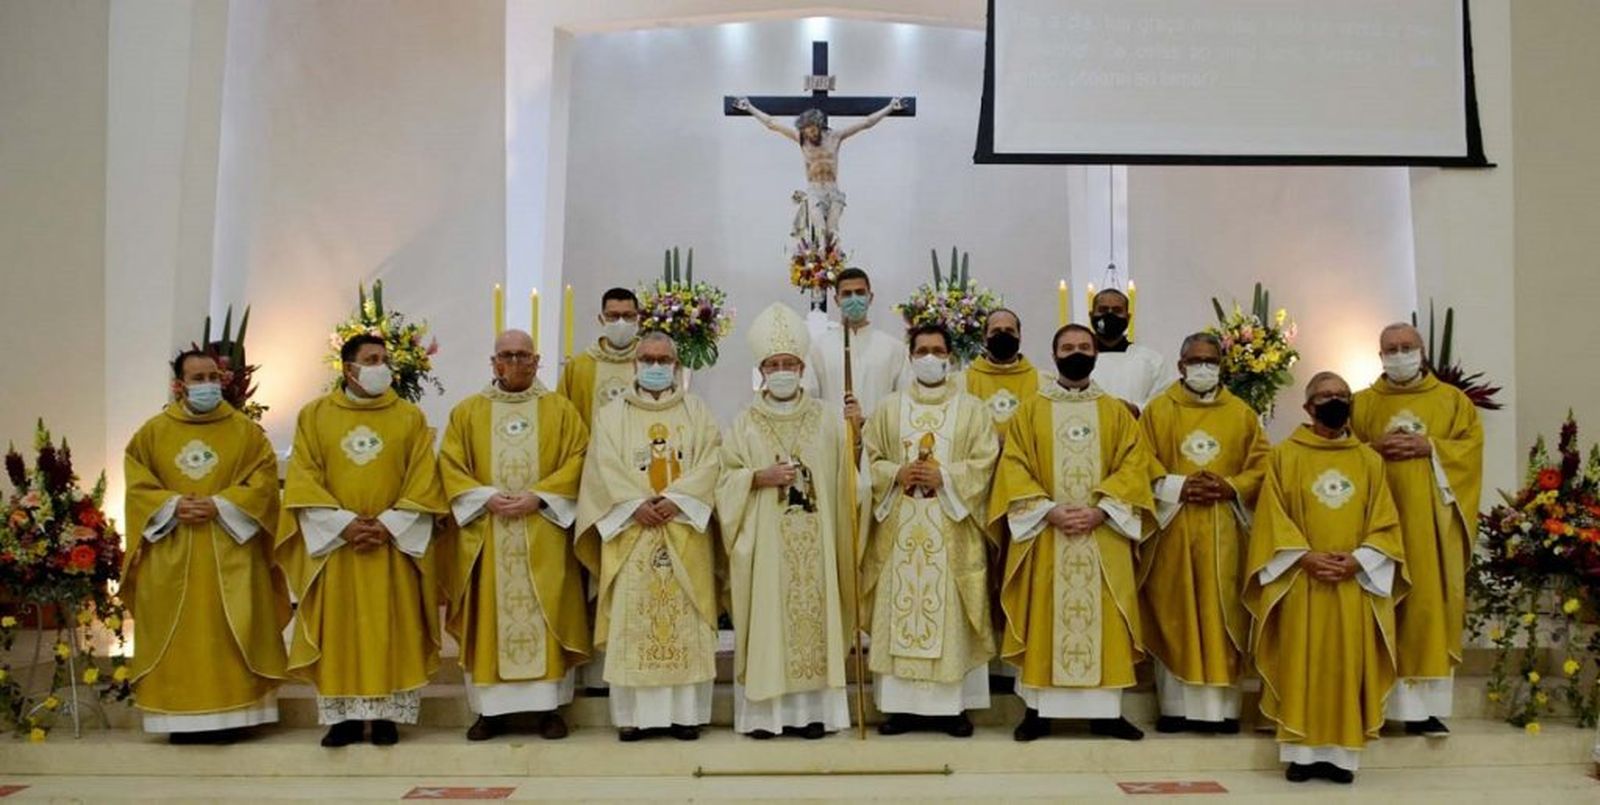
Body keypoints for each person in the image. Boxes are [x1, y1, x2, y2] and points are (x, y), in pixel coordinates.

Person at [277, 334, 447, 747]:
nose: (382, 367)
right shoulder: (315, 416)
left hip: (391, 546)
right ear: (349, 369)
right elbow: (303, 479)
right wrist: (344, 526)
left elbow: (424, 479)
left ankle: (387, 717)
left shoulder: (408, 417)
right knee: (341, 630)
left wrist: (389, 523)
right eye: (372, 360)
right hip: (339, 548)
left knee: (393, 627)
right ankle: (344, 720)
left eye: (385, 360)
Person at [989, 323, 1155, 742]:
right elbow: (1013, 466)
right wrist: (1048, 511)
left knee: (1106, 617)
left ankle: (1108, 713)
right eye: (1068, 347)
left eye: (1084, 346)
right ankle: (1038, 713)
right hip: (1048, 533)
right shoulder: (1030, 409)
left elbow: (1135, 466)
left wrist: (1102, 511)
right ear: (1054, 354)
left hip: (1103, 534)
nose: (1076, 352)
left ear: (1096, 353)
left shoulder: (1116, 411)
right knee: (1043, 613)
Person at [121, 350, 289, 743]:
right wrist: (172, 506)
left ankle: (239, 715)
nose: (207, 384)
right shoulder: (152, 433)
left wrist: (221, 504)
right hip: (173, 549)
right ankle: (179, 720)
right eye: (197, 378)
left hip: (231, 548)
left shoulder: (245, 432)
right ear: (179, 384)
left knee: (234, 629)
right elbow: (137, 485)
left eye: (212, 376)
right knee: (177, 631)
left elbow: (263, 483)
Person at [1247, 372, 1407, 784]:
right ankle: (1301, 754)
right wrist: (1304, 557)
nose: (1334, 401)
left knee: (1345, 666)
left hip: (1352, 582)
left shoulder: (1369, 460)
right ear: (1308, 407)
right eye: (1324, 396)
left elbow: (1386, 522)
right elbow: (1271, 519)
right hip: (1303, 580)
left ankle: (1341, 757)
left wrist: (1359, 560)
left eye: (1341, 395)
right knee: (1300, 661)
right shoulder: (1284, 456)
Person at [440, 330, 591, 742]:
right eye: (507, 355)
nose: (516, 362)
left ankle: (549, 709)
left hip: (543, 530)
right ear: (494, 363)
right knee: (490, 615)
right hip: (489, 535)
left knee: (548, 612)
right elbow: (450, 464)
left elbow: (579, 459)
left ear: (538, 361)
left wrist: (540, 498)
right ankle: (490, 712)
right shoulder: (468, 412)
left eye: (524, 355)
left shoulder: (560, 411)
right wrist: (487, 498)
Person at [716, 303, 856, 739]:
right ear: (761, 370)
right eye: (773, 365)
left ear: (801, 368)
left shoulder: (828, 420)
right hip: (766, 548)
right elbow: (724, 481)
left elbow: (850, 482)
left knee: (814, 624)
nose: (781, 371)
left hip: (818, 544)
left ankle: (814, 713)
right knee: (770, 628)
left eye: (789, 364)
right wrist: (758, 478)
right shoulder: (745, 423)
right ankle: (765, 716)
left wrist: (860, 436)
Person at [574, 332, 722, 741]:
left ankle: (685, 716)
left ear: (676, 366)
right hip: (632, 532)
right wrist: (633, 505)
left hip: (683, 529)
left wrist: (676, 500)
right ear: (634, 364)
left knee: (683, 622)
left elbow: (711, 460)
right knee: (636, 623)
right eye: (647, 359)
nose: (656, 367)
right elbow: (603, 466)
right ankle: (634, 717)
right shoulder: (612, 414)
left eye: (663, 360)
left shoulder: (697, 411)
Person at [860, 324, 998, 737]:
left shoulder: (973, 409)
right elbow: (870, 461)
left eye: (938, 350)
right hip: (899, 532)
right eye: (922, 350)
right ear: (910, 356)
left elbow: (985, 463)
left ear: (951, 357)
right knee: (901, 607)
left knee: (950, 613)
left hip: (950, 530)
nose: (930, 357)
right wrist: (897, 472)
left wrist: (946, 477)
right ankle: (898, 709)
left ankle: (952, 709)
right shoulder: (888, 408)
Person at [1352, 323, 1483, 737]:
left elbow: (1471, 450)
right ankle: (1372, 702)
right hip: (1376, 527)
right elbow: (1341, 453)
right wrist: (1373, 450)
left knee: (1425, 608)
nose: (1399, 354)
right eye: (1390, 349)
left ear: (1422, 351)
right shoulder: (1361, 403)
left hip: (1430, 528)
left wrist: (1432, 448)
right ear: (1380, 356)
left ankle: (1424, 711)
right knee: (1381, 608)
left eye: (1407, 347)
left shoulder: (1452, 402)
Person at [1137, 333, 1269, 734]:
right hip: (1172, 531)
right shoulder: (1158, 411)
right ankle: (1175, 708)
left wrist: (1231, 486)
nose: (1203, 367)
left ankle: (1223, 712)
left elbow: (1263, 466)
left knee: (1221, 614)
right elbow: (1138, 461)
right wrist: (1179, 486)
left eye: (1210, 360)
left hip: (1225, 531)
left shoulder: (1243, 414)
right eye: (1195, 360)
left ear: (1221, 365)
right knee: (1173, 611)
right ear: (1180, 366)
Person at [556, 286, 642, 692]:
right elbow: (564, 426)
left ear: (640, 317)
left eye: (628, 315)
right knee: (591, 573)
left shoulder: (654, 361)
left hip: (642, 491)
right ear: (600, 319)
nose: (621, 323)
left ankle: (630, 662)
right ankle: (594, 672)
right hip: (594, 491)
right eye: (613, 315)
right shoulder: (580, 367)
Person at [733, 97, 904, 239]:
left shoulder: (835, 137)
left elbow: (866, 123)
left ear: (819, 126)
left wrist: (889, 107)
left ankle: (830, 270)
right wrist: (749, 107)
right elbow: (772, 124)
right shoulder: (800, 138)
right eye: (807, 131)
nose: (810, 135)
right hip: (814, 190)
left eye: (813, 130)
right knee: (819, 231)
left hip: (832, 189)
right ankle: (818, 269)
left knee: (832, 233)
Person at [802, 268, 909, 432]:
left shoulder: (894, 348)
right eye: (847, 294)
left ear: (870, 297)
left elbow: (903, 399)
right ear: (837, 300)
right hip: (834, 439)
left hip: (879, 439)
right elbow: (810, 399)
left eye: (859, 292)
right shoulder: (819, 348)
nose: (854, 299)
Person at [1086, 288, 1178, 414]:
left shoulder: (1152, 360)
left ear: (1128, 318)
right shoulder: (1078, 360)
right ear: (1091, 316)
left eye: (1117, 310)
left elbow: (1164, 402)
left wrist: (1136, 409)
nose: (1109, 314)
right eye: (1103, 310)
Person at [961, 308, 1049, 432]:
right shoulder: (963, 381)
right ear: (985, 338)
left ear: (1019, 337)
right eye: (996, 331)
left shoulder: (1043, 382)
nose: (1003, 335)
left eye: (1009, 331)